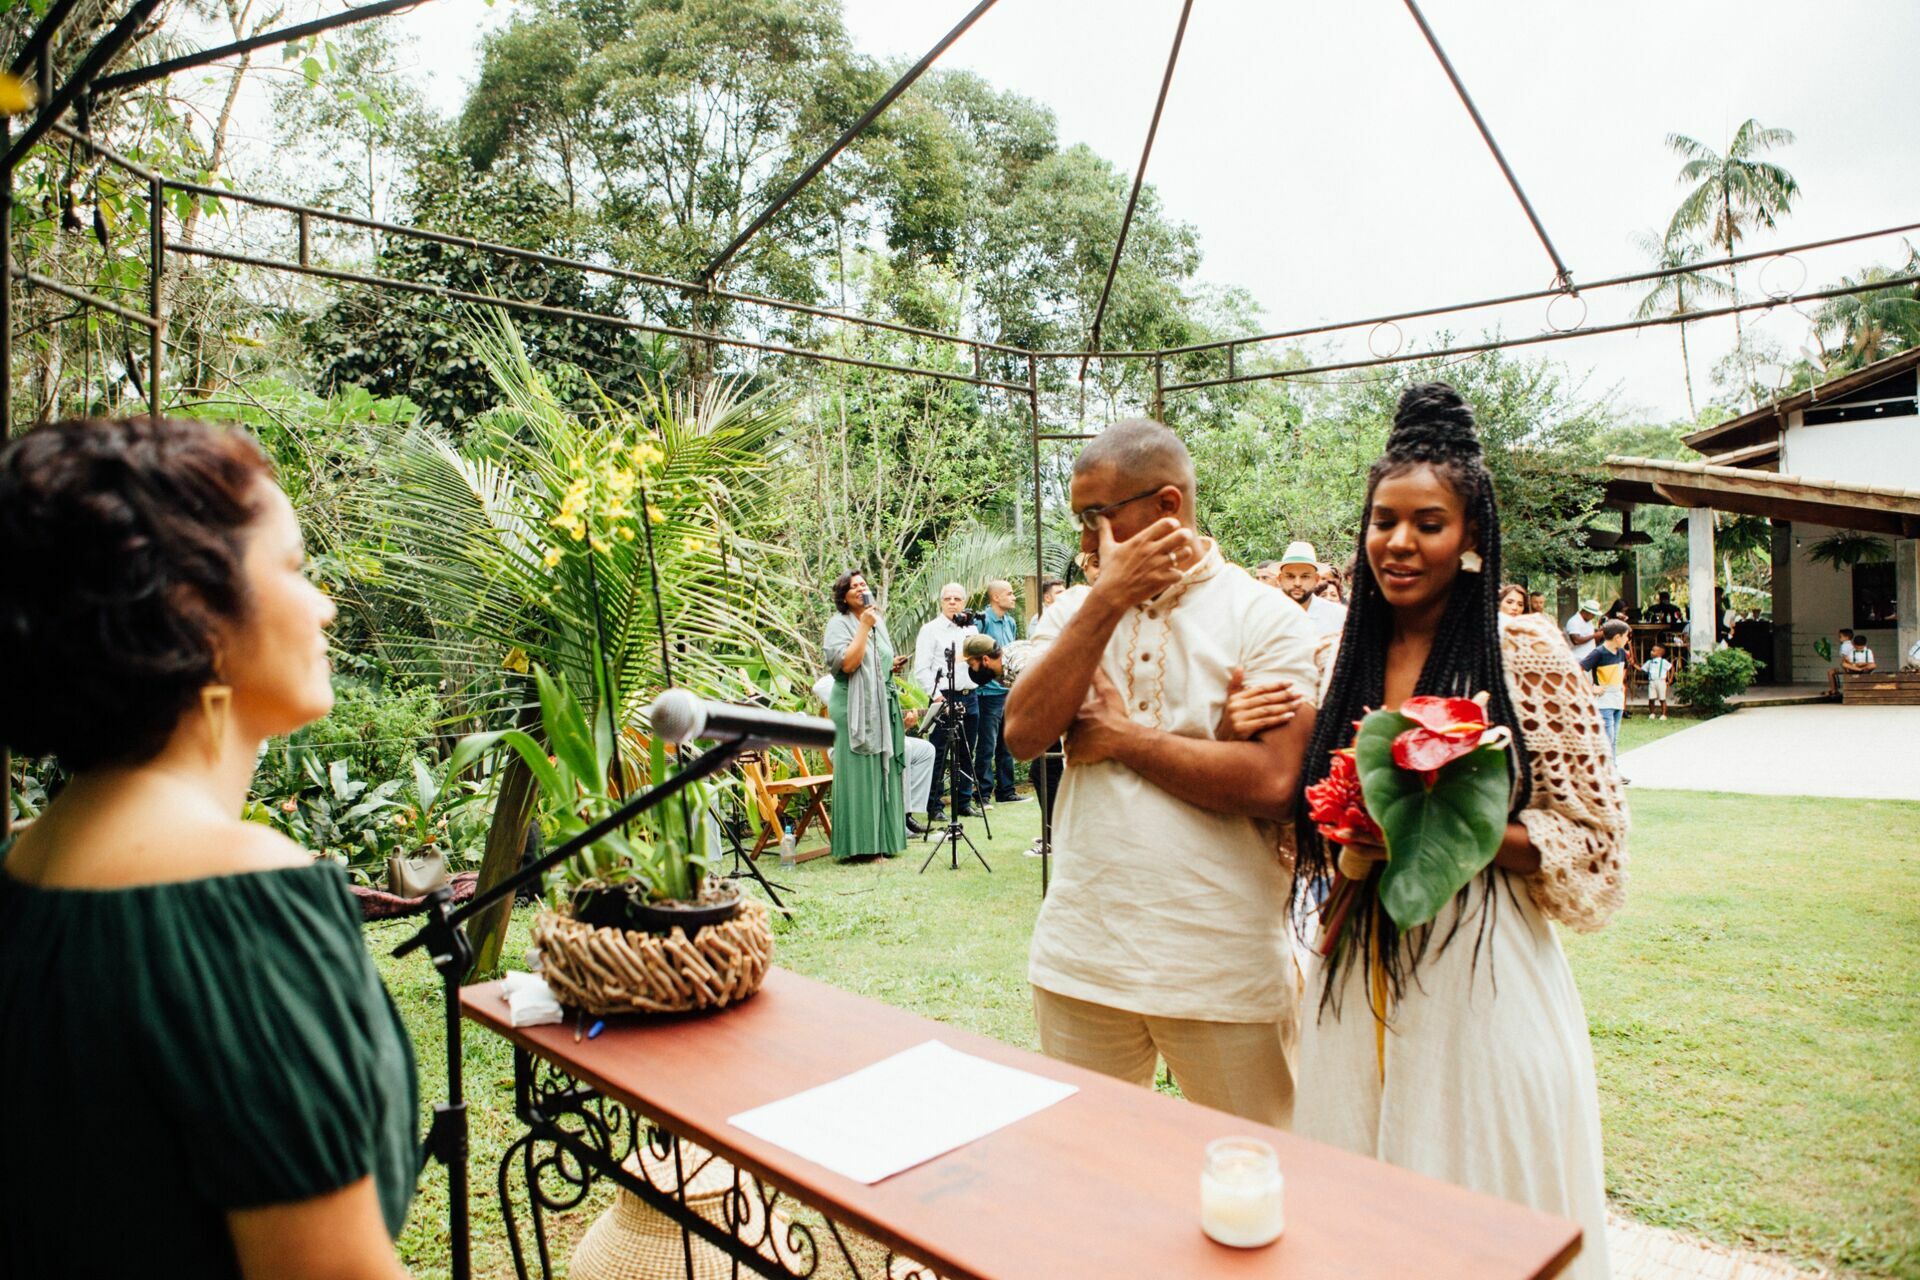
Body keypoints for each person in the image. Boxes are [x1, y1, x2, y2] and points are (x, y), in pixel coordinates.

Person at [1220, 383, 1625, 1280]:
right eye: (1382, 521)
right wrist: (1242, 731)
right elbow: (1296, 810)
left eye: (1428, 523)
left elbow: (1593, 842)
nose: (1399, 542)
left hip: (1480, 981)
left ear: (1471, 537)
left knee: (1478, 1208)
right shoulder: (1336, 657)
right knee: (1355, 1212)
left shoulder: (1524, 658)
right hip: (1347, 970)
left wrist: (1458, 825)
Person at [0, 417, 419, 1278]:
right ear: (196, 613)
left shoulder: (21, 867)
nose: (325, 605)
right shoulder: (240, 906)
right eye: (296, 569)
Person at [1004, 417, 1320, 1129]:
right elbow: (1025, 734)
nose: (1084, 541)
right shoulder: (1077, 614)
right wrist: (1108, 600)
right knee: (1091, 1181)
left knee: (1268, 1171)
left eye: (1097, 517)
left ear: (1167, 506)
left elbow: (1273, 785)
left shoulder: (1264, 617)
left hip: (1223, 962)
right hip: (1081, 957)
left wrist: (1116, 736)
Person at [822, 571, 909, 862]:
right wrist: (863, 628)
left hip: (880, 703)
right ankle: (862, 846)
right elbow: (847, 664)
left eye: (863, 584)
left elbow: (876, 659)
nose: (861, 589)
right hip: (852, 707)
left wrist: (890, 664)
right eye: (853, 586)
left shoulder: (877, 622)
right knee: (861, 773)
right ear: (843, 596)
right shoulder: (839, 624)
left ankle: (884, 841)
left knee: (880, 770)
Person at [811, 670, 934, 836]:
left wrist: (903, 726)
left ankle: (907, 813)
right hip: (846, 749)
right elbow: (819, 687)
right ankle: (898, 820)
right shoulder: (835, 687)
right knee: (903, 747)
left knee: (925, 750)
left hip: (876, 745)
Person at [914, 583, 981, 820]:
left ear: (964, 602)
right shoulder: (930, 630)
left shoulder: (971, 630)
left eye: (957, 599)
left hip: (969, 696)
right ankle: (934, 805)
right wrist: (938, 697)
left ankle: (963, 801)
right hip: (944, 695)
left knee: (966, 752)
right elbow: (921, 669)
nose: (953, 602)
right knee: (940, 753)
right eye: (948, 599)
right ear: (941, 602)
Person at [971, 580, 1027, 806]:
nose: (1014, 597)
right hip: (988, 693)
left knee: (1007, 741)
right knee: (987, 745)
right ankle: (982, 793)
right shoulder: (981, 621)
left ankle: (1007, 791)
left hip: (1008, 689)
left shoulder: (1010, 622)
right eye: (1010, 593)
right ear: (996, 597)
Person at [1582, 619, 1632, 763]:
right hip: (1604, 701)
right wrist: (1591, 687)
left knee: (1614, 739)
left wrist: (1621, 685)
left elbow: (1623, 669)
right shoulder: (1598, 653)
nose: (1627, 639)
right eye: (1626, 636)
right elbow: (1578, 669)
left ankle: (1613, 769)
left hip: (1617, 699)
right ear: (1617, 637)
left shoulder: (1621, 652)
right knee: (1607, 739)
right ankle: (1606, 771)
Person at [1276, 541, 1348, 638]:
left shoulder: (1338, 616)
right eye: (1290, 576)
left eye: (1305, 577)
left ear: (1316, 579)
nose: (1297, 583)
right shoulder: (1265, 615)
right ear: (1280, 579)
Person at [1643, 644, 1674, 721]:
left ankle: (1664, 714)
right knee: (1651, 698)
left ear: (1660, 653)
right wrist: (1633, 664)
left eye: (1653, 651)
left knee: (1662, 698)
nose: (1651, 652)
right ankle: (1652, 713)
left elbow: (1671, 668)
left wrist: (1670, 678)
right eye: (1651, 650)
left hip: (1661, 681)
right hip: (1652, 682)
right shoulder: (1649, 662)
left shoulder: (1663, 662)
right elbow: (1642, 669)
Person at [1565, 598, 1601, 664]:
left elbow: (1587, 633)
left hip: (1587, 659)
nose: (1593, 617)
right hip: (1578, 659)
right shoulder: (1574, 621)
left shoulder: (1588, 621)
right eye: (1593, 614)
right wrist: (1594, 635)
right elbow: (1576, 640)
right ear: (1586, 612)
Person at [1826, 627, 1858, 697]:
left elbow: (1845, 658)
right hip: (1853, 666)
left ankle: (1833, 690)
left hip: (1848, 667)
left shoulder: (1844, 645)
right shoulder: (1851, 645)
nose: (1839, 638)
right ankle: (1835, 689)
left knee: (1830, 672)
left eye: (1840, 636)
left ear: (1846, 637)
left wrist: (1846, 668)